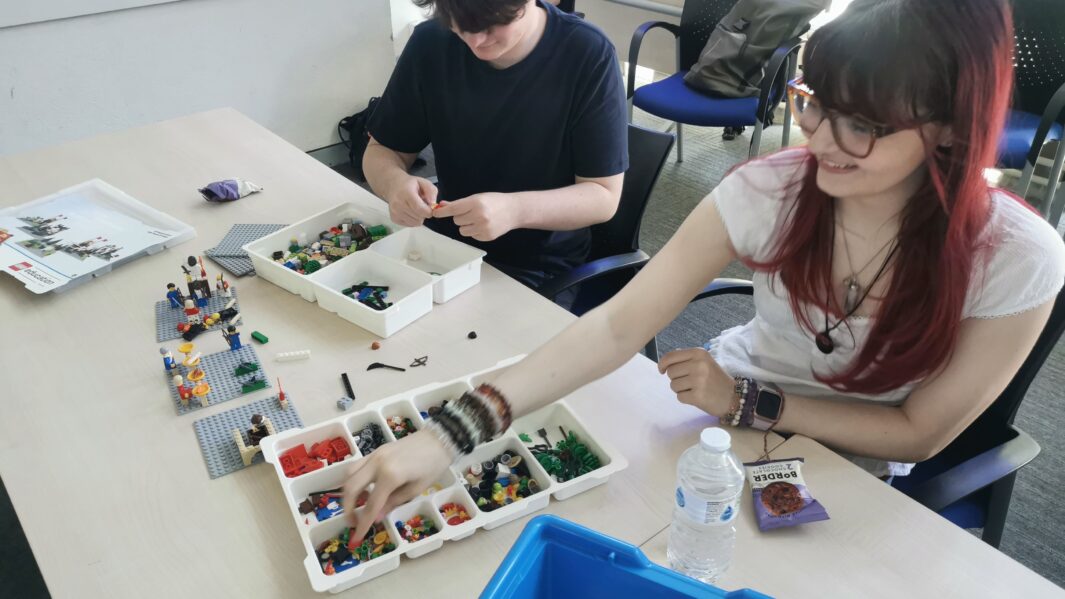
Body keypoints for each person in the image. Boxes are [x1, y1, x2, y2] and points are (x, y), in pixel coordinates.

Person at [342, 0, 1065, 540]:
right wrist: (445, 435)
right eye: (812, 106)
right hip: (711, 418)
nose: (821, 142)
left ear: (944, 126)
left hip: (843, 455)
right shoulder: (769, 189)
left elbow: (917, 432)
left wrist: (747, 401)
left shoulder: (1015, 257)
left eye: (863, 125)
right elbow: (616, 325)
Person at [364, 0, 627, 302]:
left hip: (535, 265)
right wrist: (394, 184)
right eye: (460, 24)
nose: (475, 40)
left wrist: (514, 210)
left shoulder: (586, 53)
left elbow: (603, 196)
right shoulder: (431, 41)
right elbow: (382, 150)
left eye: (491, 24)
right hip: (443, 246)